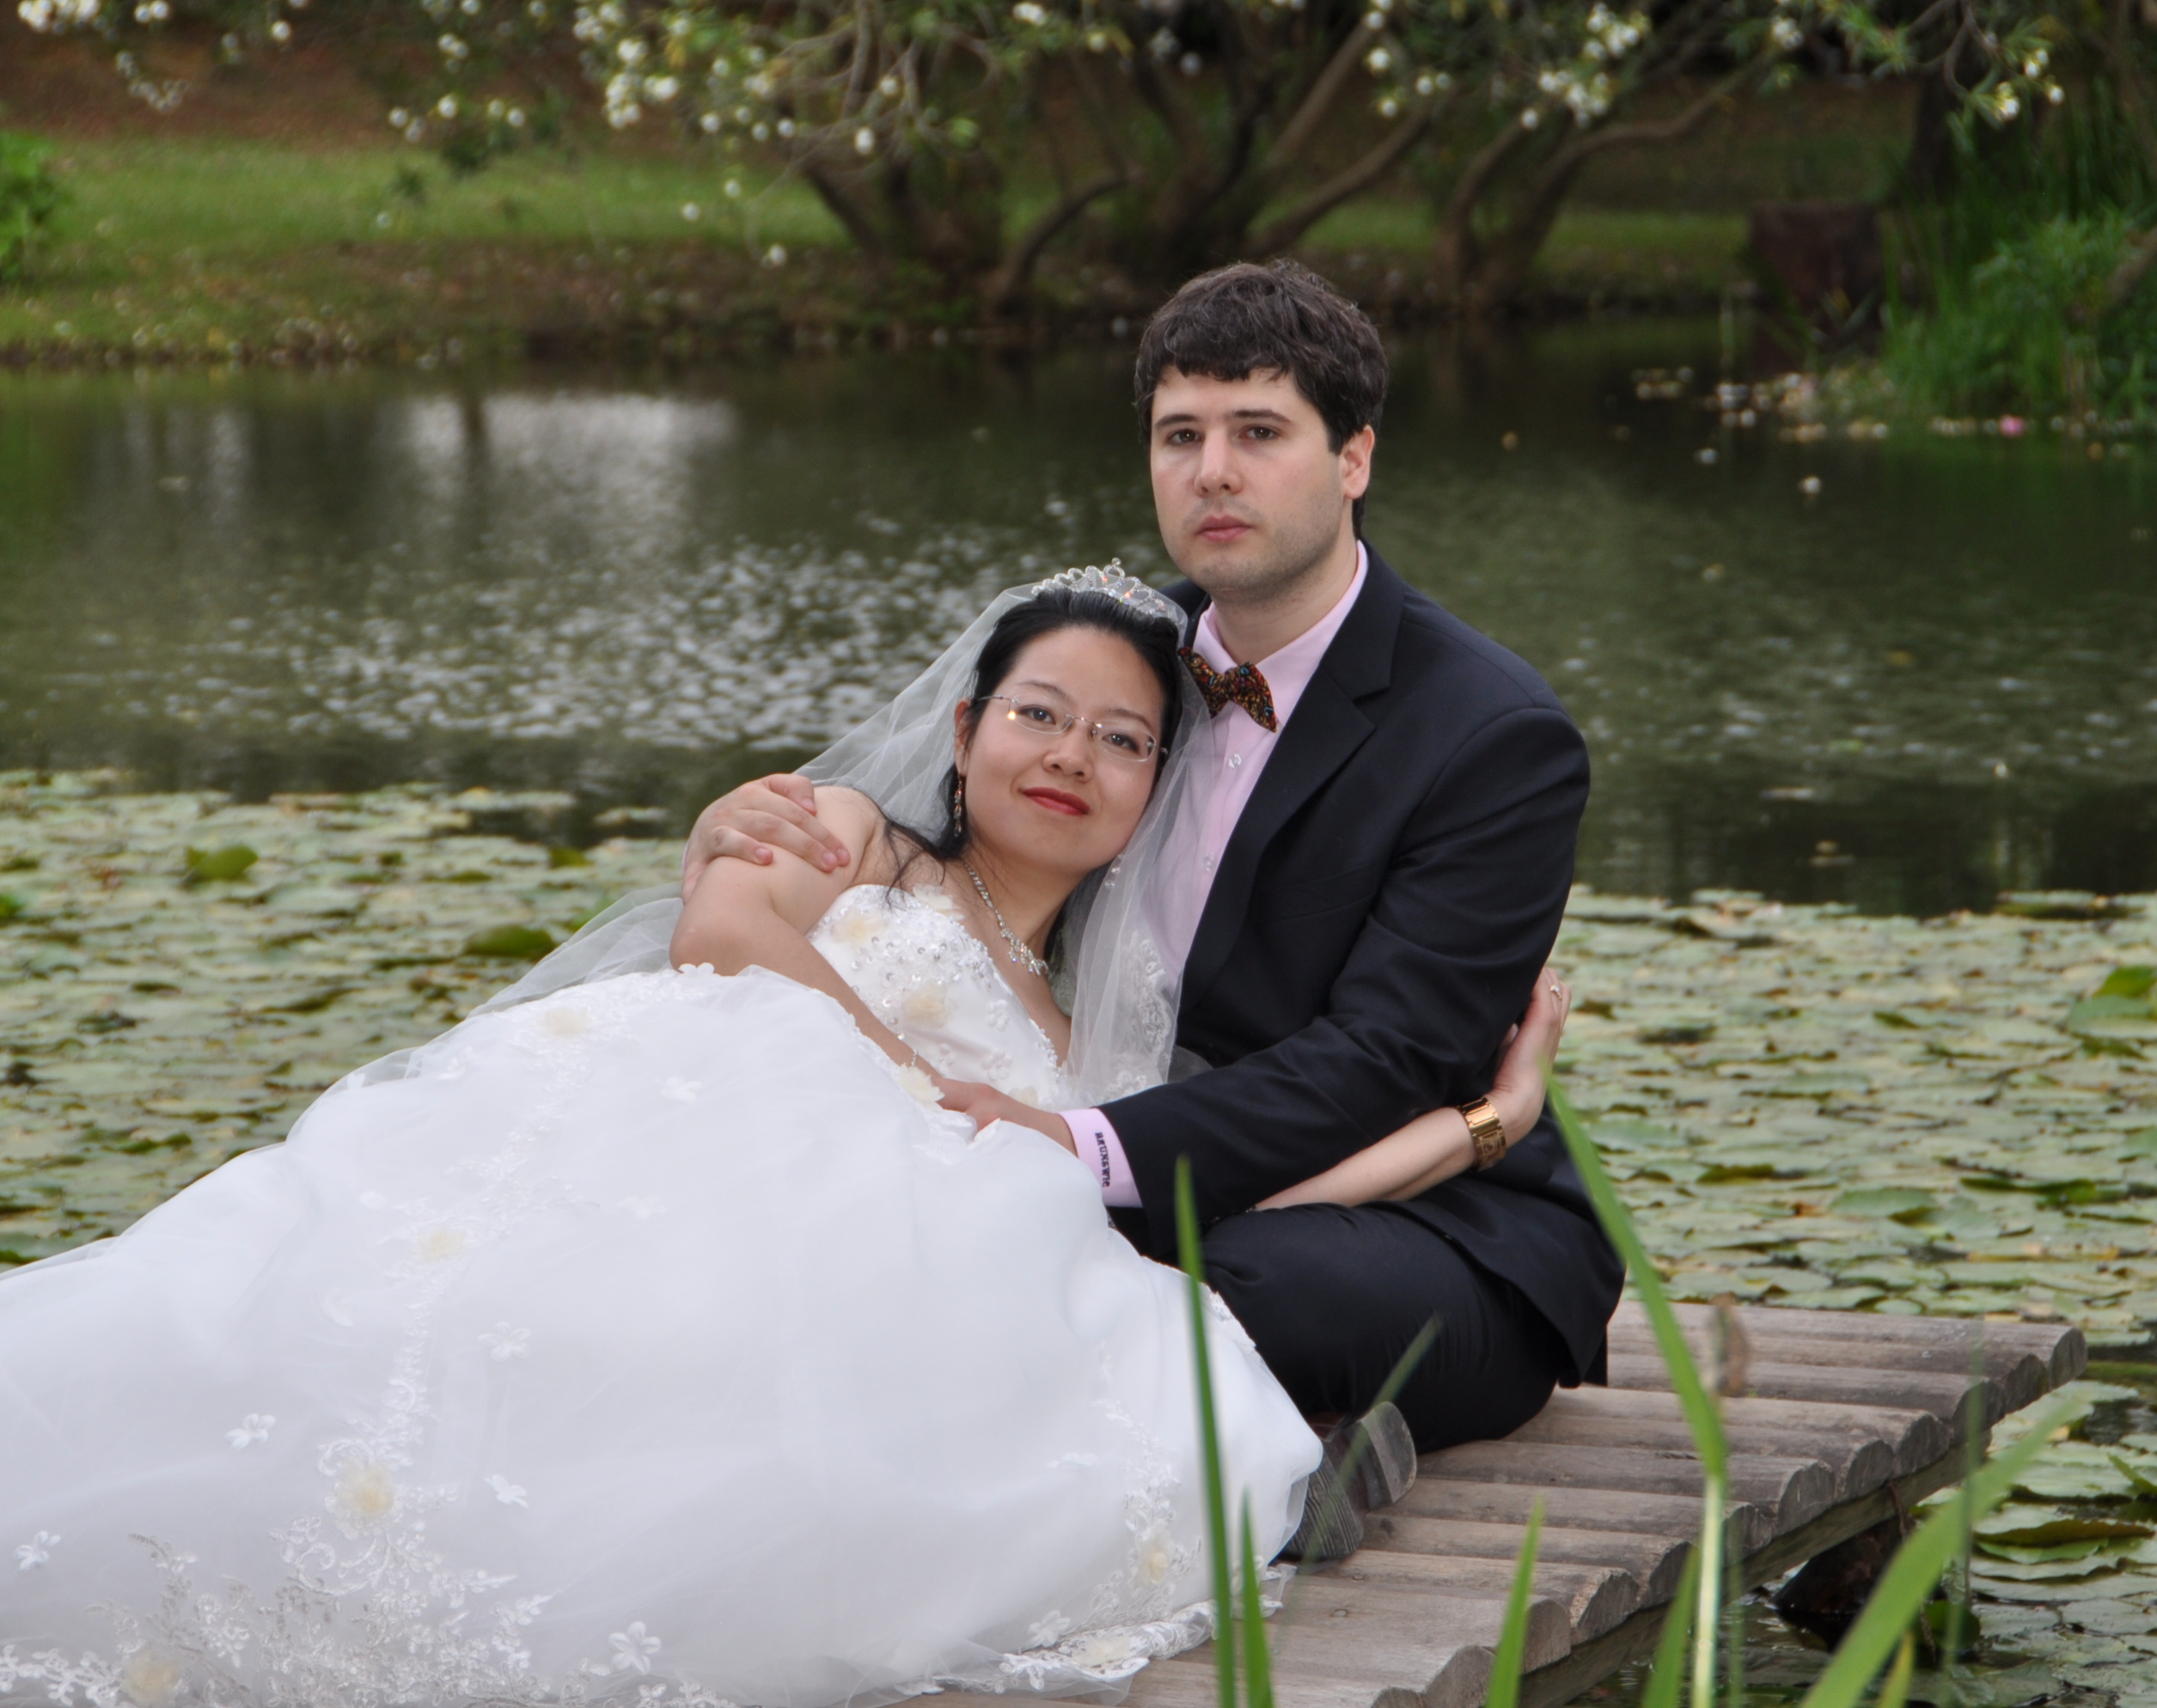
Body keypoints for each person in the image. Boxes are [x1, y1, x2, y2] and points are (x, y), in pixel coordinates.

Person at [0, 566, 1542, 1708]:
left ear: (1151, 794)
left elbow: (1228, 1174)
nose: (1071, 757)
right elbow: (724, 935)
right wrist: (916, 1083)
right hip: (704, 1100)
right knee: (406, 1310)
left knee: (984, 1353)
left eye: (1121, 742)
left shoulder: (1096, 1033)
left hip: (890, 1210)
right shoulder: (860, 843)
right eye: (1039, 715)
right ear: (966, 729)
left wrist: (1481, 1119)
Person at [688, 262, 1622, 1479]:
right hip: (1093, 1173)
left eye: (1259, 433)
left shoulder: (1490, 737)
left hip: (1417, 1221)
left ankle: (1272, 1471)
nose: (1213, 471)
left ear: (1354, 459)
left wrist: (1074, 1147)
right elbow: (939, 838)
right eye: (1181, 435)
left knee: (1221, 1286)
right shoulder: (1115, 658)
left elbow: (1385, 1060)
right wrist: (740, 832)